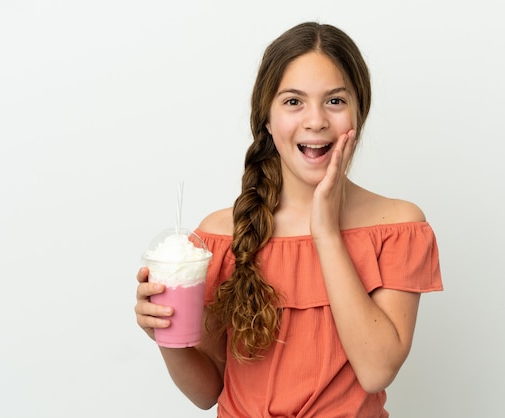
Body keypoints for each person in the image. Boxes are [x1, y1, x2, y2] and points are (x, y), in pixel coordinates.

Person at [135, 21, 443, 417]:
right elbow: (207, 390)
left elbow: (376, 369)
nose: (315, 121)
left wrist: (326, 232)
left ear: (358, 112)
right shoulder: (216, 238)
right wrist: (165, 333)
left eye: (335, 101)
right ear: (266, 118)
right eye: (293, 101)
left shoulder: (398, 227)